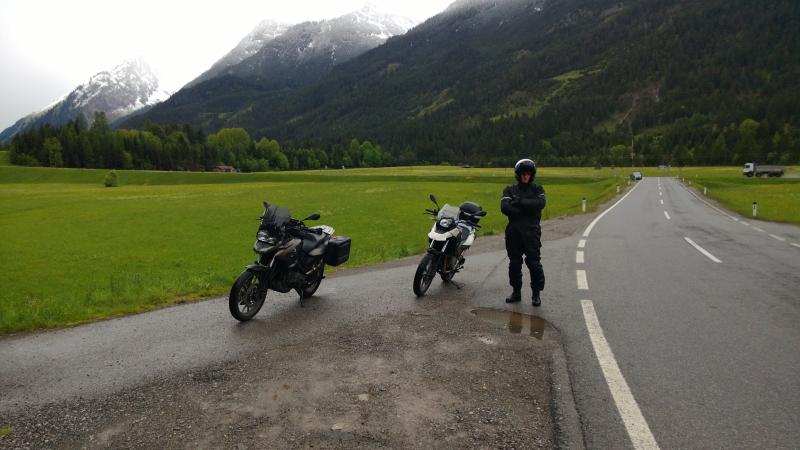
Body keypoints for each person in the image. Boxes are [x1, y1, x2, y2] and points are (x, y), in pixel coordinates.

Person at [500, 159, 546, 306]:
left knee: (534, 264)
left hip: (532, 232)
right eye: (523, 173)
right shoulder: (509, 190)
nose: (525, 176)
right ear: (518, 175)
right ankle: (516, 292)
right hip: (514, 232)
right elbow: (504, 207)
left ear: (531, 175)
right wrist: (528, 209)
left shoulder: (538, 189)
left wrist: (519, 202)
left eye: (528, 173)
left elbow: (540, 204)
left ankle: (536, 294)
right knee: (514, 263)